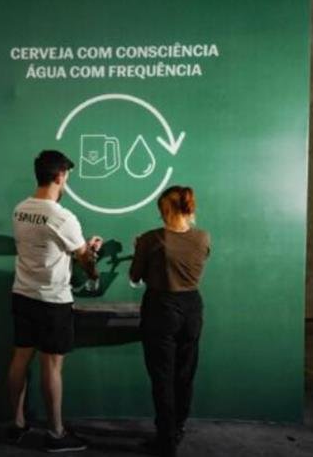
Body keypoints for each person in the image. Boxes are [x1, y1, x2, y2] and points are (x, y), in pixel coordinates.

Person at [6, 150, 102, 453]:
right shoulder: (62, 216)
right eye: (67, 176)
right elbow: (85, 260)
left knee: (20, 358)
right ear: (60, 176)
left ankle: (17, 423)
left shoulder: (20, 210)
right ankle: (56, 433)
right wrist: (92, 254)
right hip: (52, 300)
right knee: (51, 365)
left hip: (22, 293)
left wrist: (80, 249)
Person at [129, 186, 211, 457]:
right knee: (185, 374)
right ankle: (177, 428)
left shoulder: (151, 239)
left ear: (165, 209)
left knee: (162, 376)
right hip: (192, 309)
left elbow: (135, 276)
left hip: (161, 309)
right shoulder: (203, 237)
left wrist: (139, 249)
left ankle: (166, 439)